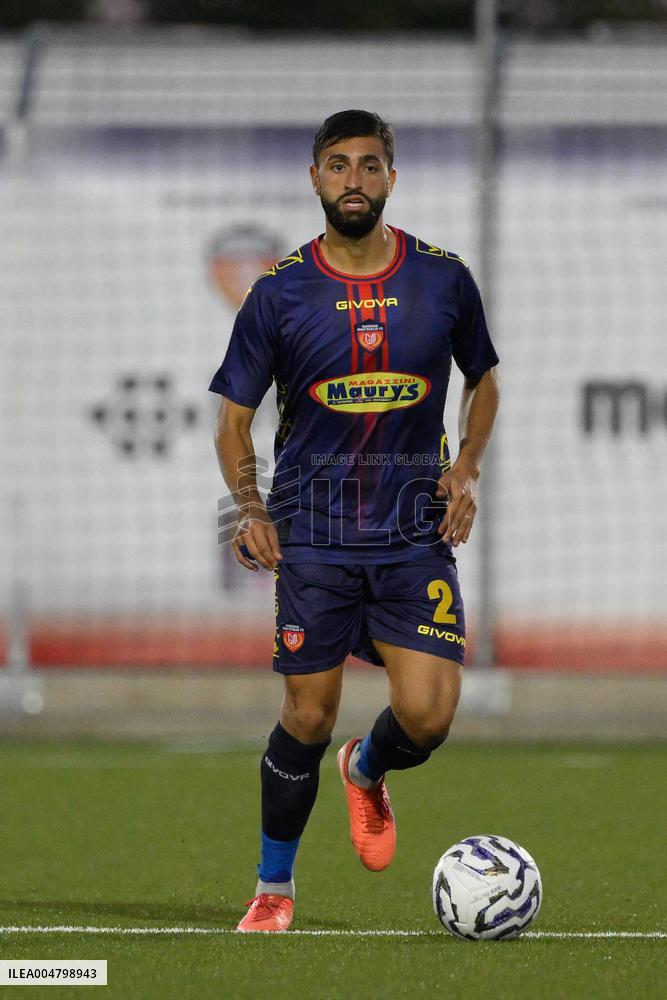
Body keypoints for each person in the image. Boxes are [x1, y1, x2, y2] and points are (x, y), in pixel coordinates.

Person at [209, 110, 500, 932]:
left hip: (413, 531)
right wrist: (250, 508)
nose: (353, 180)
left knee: (428, 717)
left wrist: (465, 467)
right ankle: (273, 889)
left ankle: (365, 769)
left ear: (390, 179)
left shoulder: (444, 279)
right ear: (314, 178)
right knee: (307, 714)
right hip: (314, 533)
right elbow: (233, 421)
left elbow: (483, 381)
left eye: (369, 166)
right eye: (337, 165)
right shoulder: (278, 292)